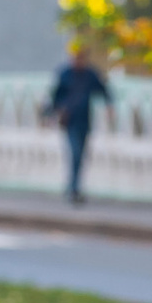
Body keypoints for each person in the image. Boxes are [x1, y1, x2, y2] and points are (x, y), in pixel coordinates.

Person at [45, 50, 112, 201]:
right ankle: (73, 188)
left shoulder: (89, 74)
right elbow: (55, 96)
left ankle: (74, 187)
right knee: (75, 153)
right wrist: (51, 114)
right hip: (70, 121)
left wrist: (109, 106)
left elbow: (103, 89)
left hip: (84, 120)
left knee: (81, 154)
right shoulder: (65, 74)